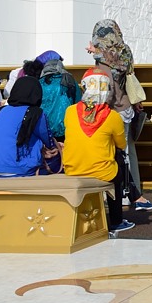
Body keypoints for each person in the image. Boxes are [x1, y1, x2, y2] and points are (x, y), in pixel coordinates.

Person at [87, 20, 152, 212]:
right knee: (128, 151)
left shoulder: (102, 57)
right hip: (126, 107)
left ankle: (121, 193)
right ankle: (134, 190)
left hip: (111, 108)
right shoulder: (124, 51)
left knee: (116, 153)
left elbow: (105, 84)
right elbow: (127, 73)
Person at [63, 69, 137, 233]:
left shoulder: (70, 112)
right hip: (102, 171)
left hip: (72, 168)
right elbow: (121, 144)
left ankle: (134, 195)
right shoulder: (113, 117)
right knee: (117, 163)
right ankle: (117, 220)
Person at [0, 77, 56, 177]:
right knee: (56, 158)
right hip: (20, 169)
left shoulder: (0, 111)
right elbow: (49, 142)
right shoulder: (36, 113)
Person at [39, 53, 80, 142]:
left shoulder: (40, 83)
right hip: (65, 126)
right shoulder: (69, 80)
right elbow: (78, 101)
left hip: (44, 127)